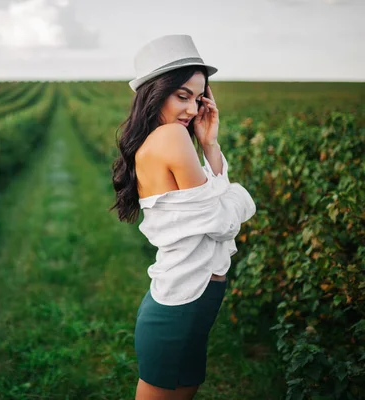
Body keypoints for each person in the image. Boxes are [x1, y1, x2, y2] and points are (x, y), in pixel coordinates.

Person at [109, 35, 257, 399]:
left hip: (196, 299)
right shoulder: (171, 137)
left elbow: (218, 215)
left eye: (198, 96)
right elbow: (224, 222)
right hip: (179, 303)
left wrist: (209, 144)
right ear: (155, 93)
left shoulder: (172, 138)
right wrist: (240, 197)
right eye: (182, 96)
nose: (192, 110)